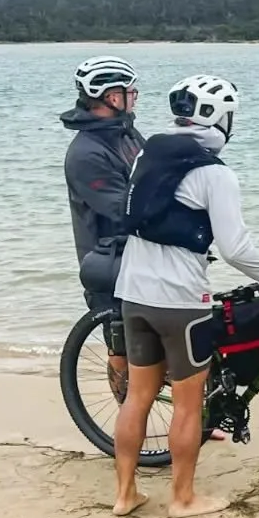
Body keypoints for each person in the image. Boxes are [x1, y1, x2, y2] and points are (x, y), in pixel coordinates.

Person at [110, 74, 259, 518]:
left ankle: (125, 495)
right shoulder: (215, 174)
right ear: (220, 117)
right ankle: (182, 498)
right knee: (187, 404)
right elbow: (234, 248)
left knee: (137, 397)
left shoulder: (148, 152)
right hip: (181, 304)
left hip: (133, 293)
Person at [61, 55, 144, 402]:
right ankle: (128, 424)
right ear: (112, 97)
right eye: (130, 91)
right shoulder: (86, 153)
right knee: (121, 350)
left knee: (163, 338)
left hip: (141, 255)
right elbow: (124, 208)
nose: (136, 96)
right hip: (108, 263)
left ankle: (189, 418)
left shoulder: (126, 133)